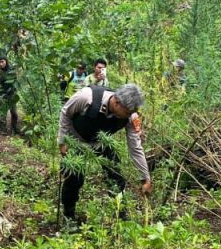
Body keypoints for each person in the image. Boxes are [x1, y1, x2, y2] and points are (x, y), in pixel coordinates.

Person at [58, 83, 151, 230]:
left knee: (116, 175)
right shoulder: (86, 97)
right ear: (116, 102)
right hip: (76, 139)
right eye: (127, 112)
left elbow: (135, 147)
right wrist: (62, 142)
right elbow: (65, 112)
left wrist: (145, 177)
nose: (130, 115)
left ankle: (120, 212)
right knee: (74, 178)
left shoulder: (131, 116)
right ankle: (68, 216)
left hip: (101, 141)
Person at [0, 55, 19, 134]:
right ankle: (2, 130)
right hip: (2, 93)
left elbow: (15, 80)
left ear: (6, 61)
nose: (1, 64)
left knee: (14, 113)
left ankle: (14, 128)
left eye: (2, 62)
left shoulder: (11, 69)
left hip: (12, 93)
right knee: (3, 112)